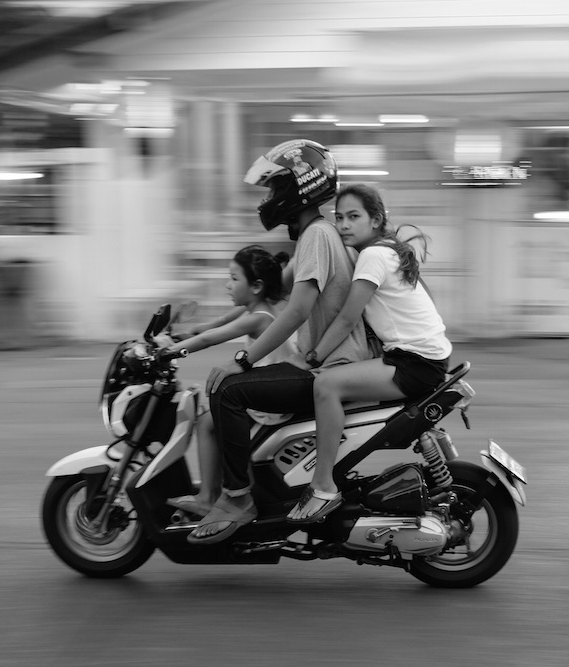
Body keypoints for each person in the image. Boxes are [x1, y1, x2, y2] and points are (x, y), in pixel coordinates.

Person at [188, 139, 372, 545]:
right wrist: (191, 334)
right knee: (233, 388)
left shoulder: (316, 237)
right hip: (326, 364)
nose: (268, 199)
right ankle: (230, 492)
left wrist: (243, 360)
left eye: (273, 189)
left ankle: (236, 499)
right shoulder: (316, 236)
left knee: (227, 390)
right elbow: (270, 293)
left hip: (329, 368)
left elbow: (297, 310)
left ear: (295, 189)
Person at [286, 183, 453, 523]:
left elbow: (347, 317)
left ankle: (322, 486)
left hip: (414, 363)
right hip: (429, 357)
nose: (344, 225)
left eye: (353, 217)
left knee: (327, 386)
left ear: (375, 220)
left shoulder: (373, 255)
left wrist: (313, 357)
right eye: (339, 217)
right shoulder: (389, 249)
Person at [157, 245, 296, 518]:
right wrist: (184, 335)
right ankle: (212, 494)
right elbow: (215, 325)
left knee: (209, 418)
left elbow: (211, 338)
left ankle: (211, 497)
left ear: (256, 286)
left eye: (234, 279)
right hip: (269, 393)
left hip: (271, 403)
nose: (227, 284)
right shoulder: (259, 309)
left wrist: (169, 352)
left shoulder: (258, 318)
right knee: (209, 416)